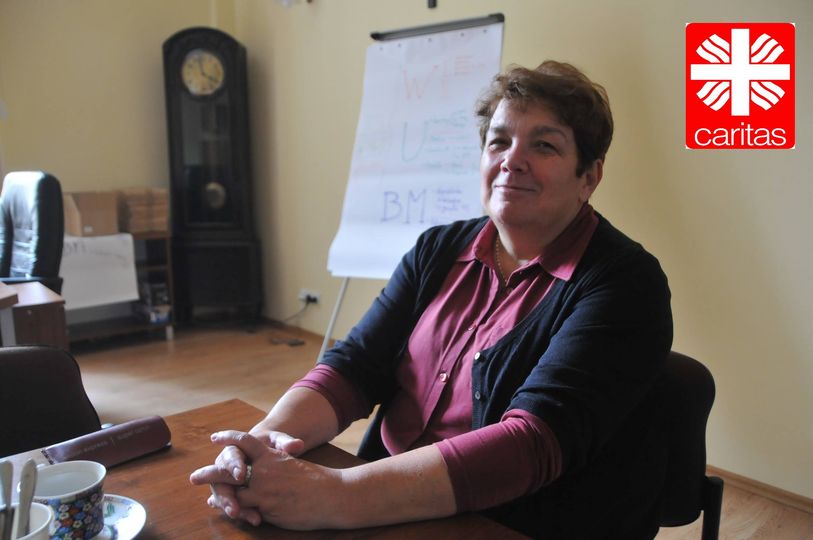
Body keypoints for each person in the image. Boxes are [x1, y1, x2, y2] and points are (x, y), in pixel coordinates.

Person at [190, 60, 673, 539]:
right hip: (378, 496)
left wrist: (335, 495)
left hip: (496, 522)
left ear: (589, 177)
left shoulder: (626, 283)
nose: (512, 160)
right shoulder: (438, 249)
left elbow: (531, 444)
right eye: (499, 141)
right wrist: (260, 444)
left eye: (543, 145)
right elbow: (356, 365)